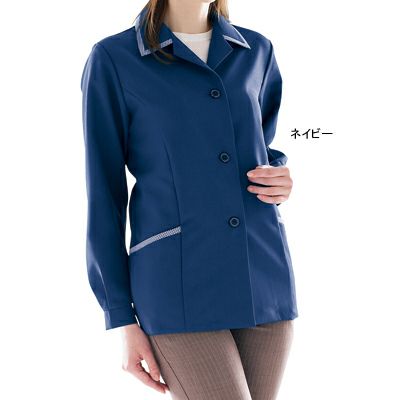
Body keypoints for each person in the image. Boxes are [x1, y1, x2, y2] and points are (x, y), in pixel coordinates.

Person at [80, 0, 299, 398]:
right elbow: (104, 194)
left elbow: (260, 148)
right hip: (177, 286)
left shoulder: (257, 50)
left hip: (261, 276)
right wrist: (120, 315)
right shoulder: (114, 59)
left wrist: (279, 176)